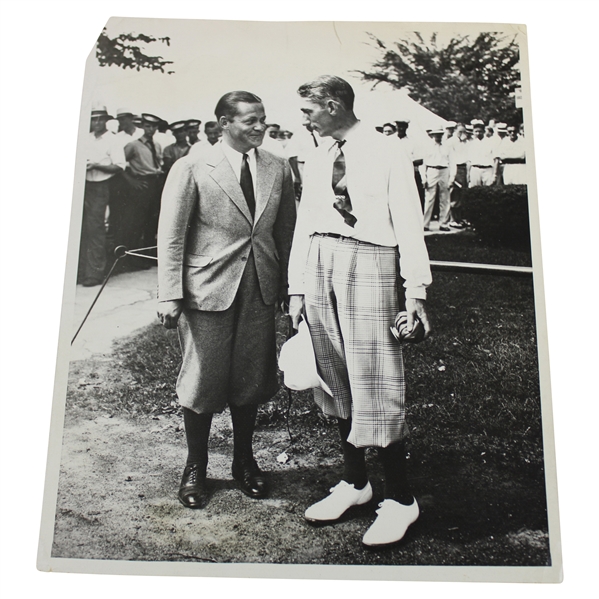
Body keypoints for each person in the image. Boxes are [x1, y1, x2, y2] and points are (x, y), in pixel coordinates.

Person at [288, 75, 432, 547]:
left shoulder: (388, 149)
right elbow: (306, 221)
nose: (304, 118)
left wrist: (416, 292)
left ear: (332, 105)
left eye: (309, 109)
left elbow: (410, 222)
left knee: (376, 378)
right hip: (320, 263)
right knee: (332, 376)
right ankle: (355, 483)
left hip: (370, 260)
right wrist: (296, 288)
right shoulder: (316, 154)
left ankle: (401, 500)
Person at [157, 91, 296, 509]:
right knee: (203, 379)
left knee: (252, 377)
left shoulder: (279, 167)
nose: (260, 128)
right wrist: (169, 294)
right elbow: (172, 235)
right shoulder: (193, 167)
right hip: (208, 290)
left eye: (263, 120)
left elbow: (285, 230)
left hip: (260, 286)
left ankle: (244, 461)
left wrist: (291, 286)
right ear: (223, 124)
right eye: (250, 121)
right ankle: (196, 466)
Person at [79, 105, 125, 286]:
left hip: (100, 186)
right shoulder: (85, 138)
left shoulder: (112, 140)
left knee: (95, 229)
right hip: (82, 185)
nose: (96, 122)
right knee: (80, 228)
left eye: (100, 119)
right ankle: (80, 271)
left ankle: (94, 273)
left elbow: (120, 166)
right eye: (93, 119)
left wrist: (96, 166)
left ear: (107, 120)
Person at [121, 113, 165, 267]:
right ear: (142, 126)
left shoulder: (157, 145)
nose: (150, 129)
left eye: (153, 126)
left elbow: (158, 165)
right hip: (142, 185)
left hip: (155, 184)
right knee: (137, 222)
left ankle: (148, 258)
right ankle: (134, 259)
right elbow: (120, 165)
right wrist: (131, 181)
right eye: (147, 126)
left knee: (152, 222)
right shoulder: (133, 145)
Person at [422, 128, 453, 232]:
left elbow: (453, 163)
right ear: (432, 135)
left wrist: (452, 178)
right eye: (436, 134)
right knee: (429, 198)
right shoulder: (427, 146)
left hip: (444, 170)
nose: (438, 137)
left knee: (445, 198)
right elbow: (423, 164)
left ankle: (443, 223)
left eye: (440, 134)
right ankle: (425, 224)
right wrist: (424, 178)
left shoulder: (447, 147)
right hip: (432, 170)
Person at [468, 120, 495, 186]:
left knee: (488, 191)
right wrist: (468, 174)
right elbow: (468, 161)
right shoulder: (471, 144)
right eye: (476, 131)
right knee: (475, 191)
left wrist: (495, 174)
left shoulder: (490, 142)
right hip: (475, 170)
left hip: (487, 169)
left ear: (484, 132)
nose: (478, 133)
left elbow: (495, 159)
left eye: (480, 131)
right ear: (473, 132)